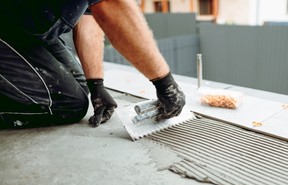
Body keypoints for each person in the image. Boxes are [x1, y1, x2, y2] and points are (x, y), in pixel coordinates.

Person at [0, 0, 185, 128]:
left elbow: (89, 12)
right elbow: (112, 7)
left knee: (82, 87)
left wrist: (96, 84)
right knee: (68, 105)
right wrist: (165, 84)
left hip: (23, 25)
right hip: (6, 26)